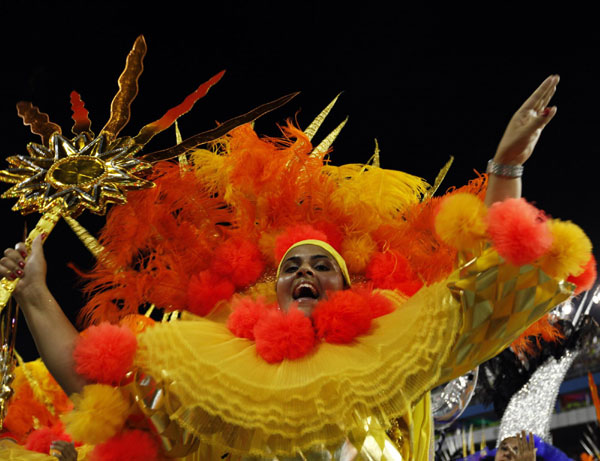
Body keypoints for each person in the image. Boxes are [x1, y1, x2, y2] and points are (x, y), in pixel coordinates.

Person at [0, 75, 590, 460]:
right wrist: (34, 295)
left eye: (321, 266)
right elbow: (99, 391)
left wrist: (505, 167)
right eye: (292, 267)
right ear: (273, 291)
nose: (304, 271)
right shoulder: (213, 370)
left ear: (347, 289)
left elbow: (484, 291)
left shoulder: (392, 349)